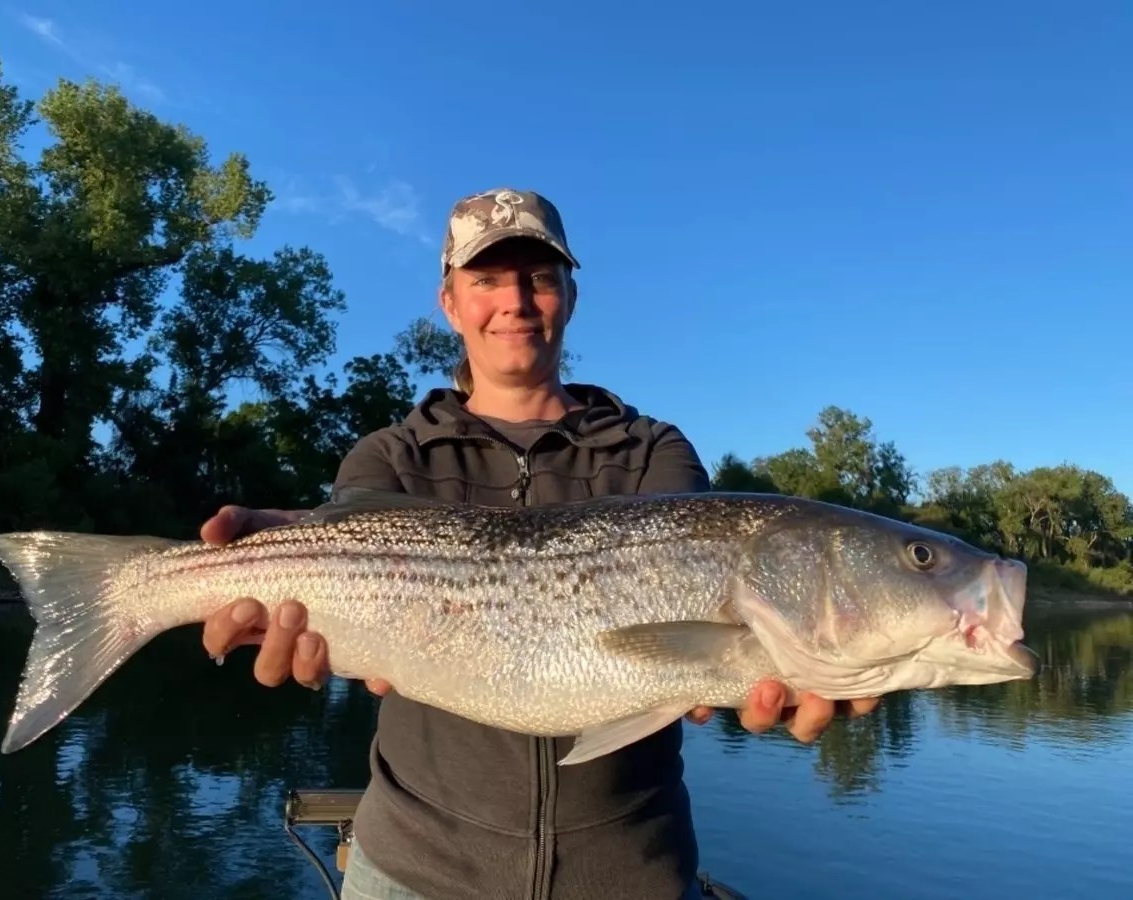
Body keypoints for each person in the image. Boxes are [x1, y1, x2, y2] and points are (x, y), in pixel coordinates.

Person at [200, 187, 880, 899]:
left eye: (539, 277)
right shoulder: (388, 457)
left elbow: (709, 656)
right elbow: (325, 608)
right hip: (413, 872)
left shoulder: (654, 452)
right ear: (450, 303)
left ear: (569, 295)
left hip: (630, 875)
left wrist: (786, 665)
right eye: (487, 279)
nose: (516, 301)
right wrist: (278, 598)